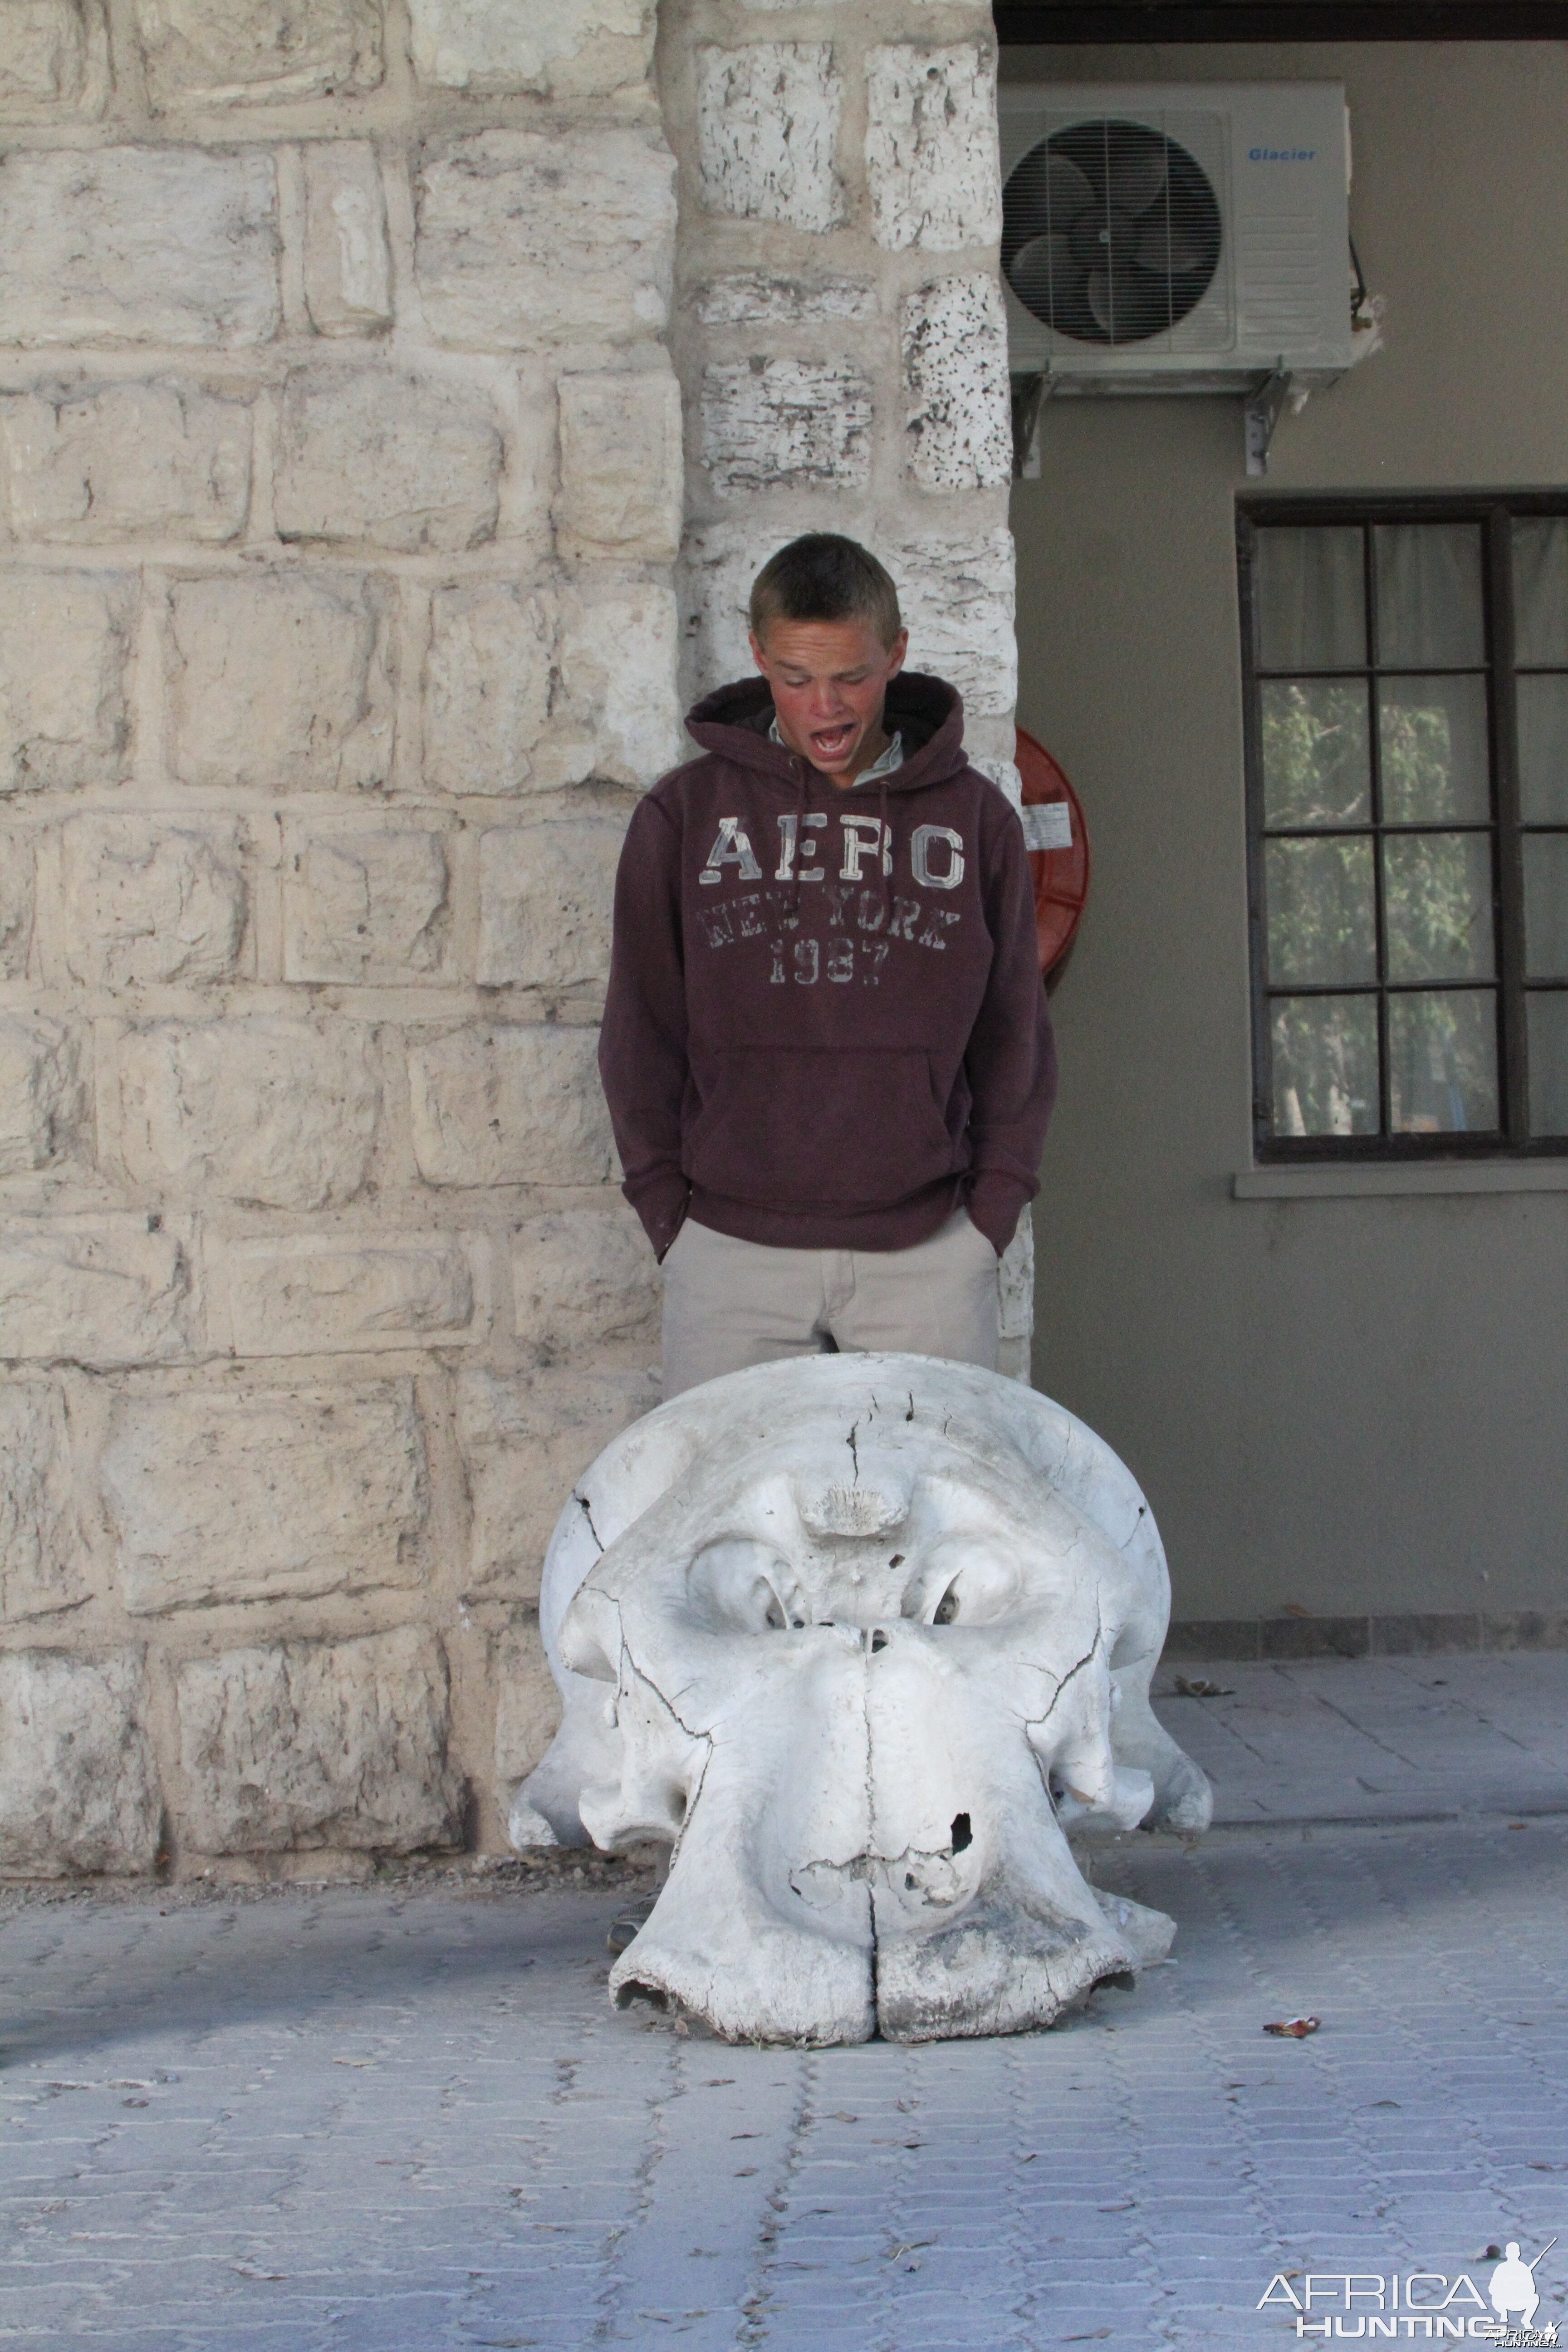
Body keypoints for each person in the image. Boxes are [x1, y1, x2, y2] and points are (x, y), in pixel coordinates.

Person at [598, 531, 1057, 1400]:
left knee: (935, 1518)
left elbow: (1015, 1034)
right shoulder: (684, 816)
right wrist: (669, 1214)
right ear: (759, 660)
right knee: (735, 1520)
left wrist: (989, 1216)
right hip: (732, 1255)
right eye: (797, 678)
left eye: (850, 676)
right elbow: (640, 1028)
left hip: (926, 1253)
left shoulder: (975, 821)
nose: (825, 708)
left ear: (897, 656)